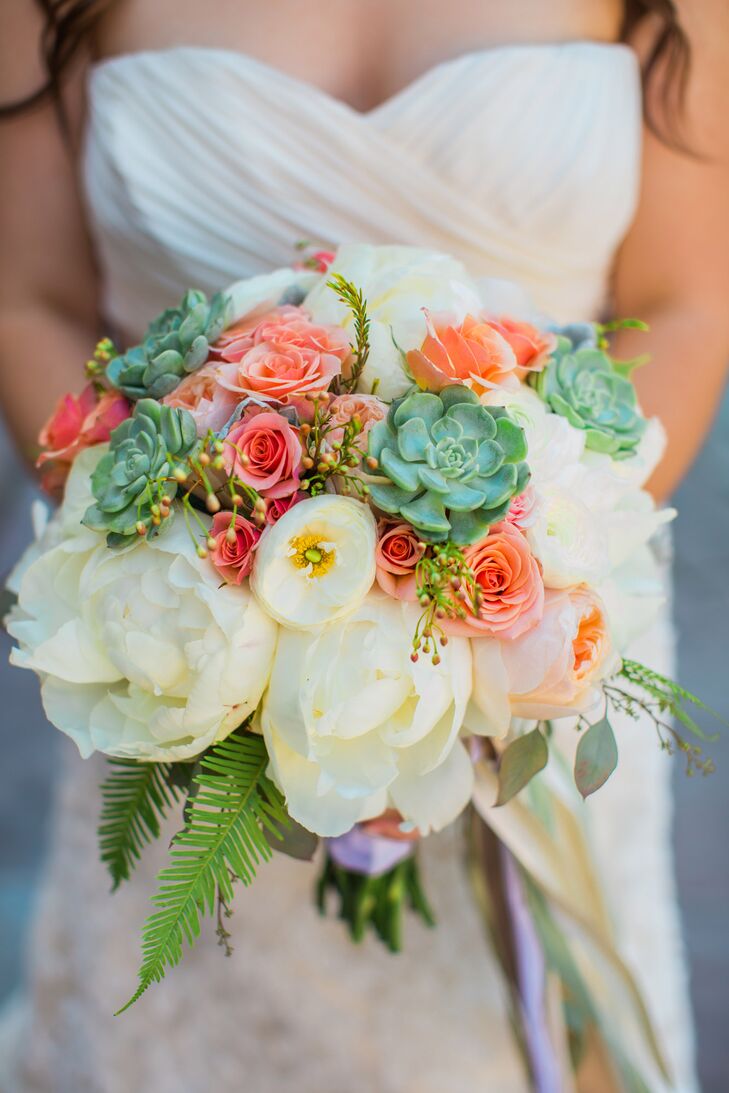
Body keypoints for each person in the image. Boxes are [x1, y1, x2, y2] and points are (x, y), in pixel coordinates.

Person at [0, 1, 727, 1089]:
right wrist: (215, 606)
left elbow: (685, 303)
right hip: (183, 666)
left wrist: (498, 619)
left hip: (538, 674)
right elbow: (31, 300)